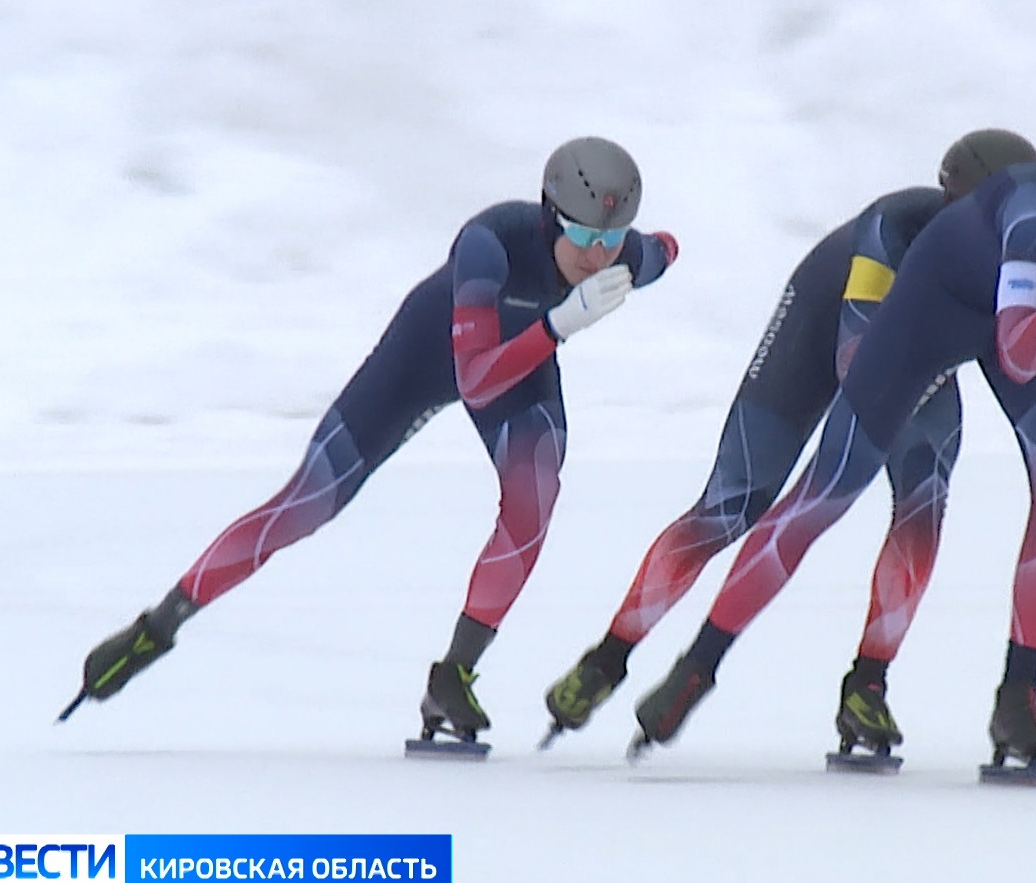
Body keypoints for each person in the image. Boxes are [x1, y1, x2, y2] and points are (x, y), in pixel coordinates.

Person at [626, 89, 1036, 768]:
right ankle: (697, 667)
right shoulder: (1033, 211)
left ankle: (1018, 696)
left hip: (1032, 323)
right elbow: (1021, 351)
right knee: (827, 492)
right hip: (933, 314)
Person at [58, 137, 678, 749]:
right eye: (583, 235)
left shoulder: (623, 256)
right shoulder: (490, 242)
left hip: (520, 362)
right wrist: (559, 323)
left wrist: (638, 262)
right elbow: (475, 378)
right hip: (426, 358)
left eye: (611, 238)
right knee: (306, 503)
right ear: (549, 216)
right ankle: (157, 626)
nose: (597, 255)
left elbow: (666, 249)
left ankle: (453, 677)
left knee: (533, 499)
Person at [540, 130, 1036, 755]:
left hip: (916, 359)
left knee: (925, 504)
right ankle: (608, 659)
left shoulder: (1032, 246)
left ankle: (867, 684)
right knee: (732, 505)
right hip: (823, 332)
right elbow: (857, 357)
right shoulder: (893, 229)